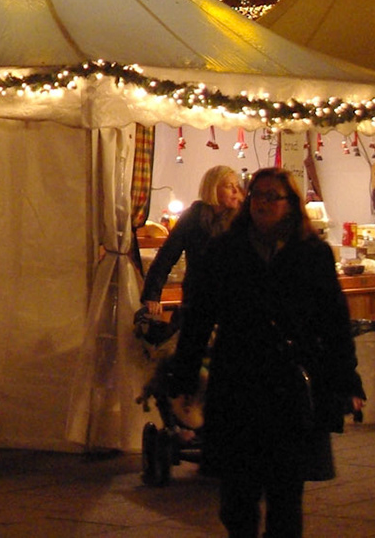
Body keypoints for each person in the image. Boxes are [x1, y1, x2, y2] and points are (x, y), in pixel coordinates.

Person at [165, 168, 363, 538]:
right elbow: (200, 315)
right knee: (237, 496)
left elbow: (334, 320)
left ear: (290, 204)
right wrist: (186, 371)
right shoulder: (226, 250)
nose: (263, 203)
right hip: (239, 380)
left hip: (289, 384)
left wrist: (346, 378)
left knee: (286, 493)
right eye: (257, 195)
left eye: (273, 196)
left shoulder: (311, 253)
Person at [140, 165, 244, 319]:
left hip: (235, 300)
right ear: (213, 189)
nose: (236, 191)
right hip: (198, 298)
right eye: (229, 186)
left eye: (237, 186)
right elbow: (166, 256)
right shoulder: (194, 217)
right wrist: (152, 295)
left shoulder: (242, 219)